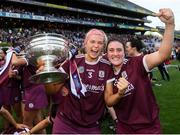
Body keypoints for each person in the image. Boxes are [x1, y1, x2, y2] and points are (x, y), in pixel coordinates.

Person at [38, 28, 128, 134]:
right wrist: (46, 77)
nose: (96, 46)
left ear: (103, 47)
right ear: (85, 43)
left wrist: (119, 94)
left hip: (91, 127)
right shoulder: (72, 62)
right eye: (92, 41)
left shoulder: (107, 67)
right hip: (65, 123)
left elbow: (108, 100)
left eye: (100, 43)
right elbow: (52, 91)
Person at [105, 8, 174, 134]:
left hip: (148, 127)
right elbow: (109, 102)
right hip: (124, 128)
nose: (115, 54)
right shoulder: (107, 72)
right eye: (111, 50)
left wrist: (169, 25)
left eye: (119, 50)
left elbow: (163, 54)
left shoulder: (136, 63)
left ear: (124, 52)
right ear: (106, 53)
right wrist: (120, 94)